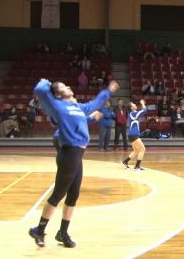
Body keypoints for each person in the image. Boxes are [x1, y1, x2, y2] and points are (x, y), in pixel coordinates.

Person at [29, 78, 118, 248]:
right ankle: (39, 230)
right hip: (69, 154)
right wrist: (46, 82)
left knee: (74, 194)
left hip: (78, 154)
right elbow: (40, 90)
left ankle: (63, 233)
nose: (68, 86)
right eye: (64, 86)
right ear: (58, 94)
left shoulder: (77, 107)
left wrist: (108, 90)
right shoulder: (58, 106)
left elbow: (96, 102)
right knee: (58, 195)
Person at [121, 100, 147, 171]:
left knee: (136, 151)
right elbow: (144, 111)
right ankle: (137, 167)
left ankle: (125, 161)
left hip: (132, 135)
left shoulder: (132, 113)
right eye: (133, 104)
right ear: (131, 108)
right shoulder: (133, 113)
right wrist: (143, 104)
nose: (135, 104)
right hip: (134, 135)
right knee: (142, 149)